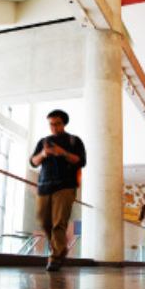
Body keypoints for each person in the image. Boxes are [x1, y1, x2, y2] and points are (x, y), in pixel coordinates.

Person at [29, 109, 86, 272]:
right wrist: (44, 153)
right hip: (44, 186)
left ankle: (54, 257)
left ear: (64, 123)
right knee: (43, 221)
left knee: (58, 222)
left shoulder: (74, 141)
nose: (53, 127)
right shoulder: (43, 141)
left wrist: (63, 153)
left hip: (65, 186)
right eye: (51, 124)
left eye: (57, 124)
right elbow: (33, 162)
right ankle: (61, 249)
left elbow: (81, 161)